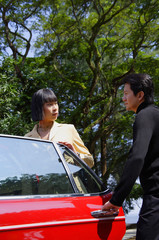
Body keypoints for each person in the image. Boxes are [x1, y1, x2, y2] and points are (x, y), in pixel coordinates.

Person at [102, 73, 159, 240]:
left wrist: (116, 198)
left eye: (126, 93)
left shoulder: (145, 116)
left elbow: (136, 158)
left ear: (140, 95)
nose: (123, 98)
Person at [25, 88, 94, 168]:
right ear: (39, 108)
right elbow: (24, 168)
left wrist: (76, 155)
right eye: (50, 104)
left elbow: (90, 162)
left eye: (56, 103)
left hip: (67, 180)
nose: (55, 108)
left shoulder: (68, 129)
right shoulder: (27, 138)